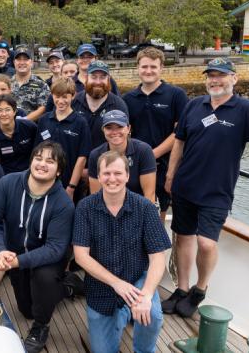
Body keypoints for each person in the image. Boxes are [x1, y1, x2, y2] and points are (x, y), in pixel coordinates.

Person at [164, 58, 249, 318]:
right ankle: (181, 289)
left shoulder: (246, 110)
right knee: (182, 236)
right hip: (185, 186)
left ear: (234, 79)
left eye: (221, 75)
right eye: (210, 76)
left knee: (206, 243)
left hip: (217, 192)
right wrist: (170, 175)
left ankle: (199, 289)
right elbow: (179, 142)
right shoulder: (194, 106)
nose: (215, 80)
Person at [0, 141, 79, 353]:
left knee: (44, 282)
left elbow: (55, 248)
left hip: (48, 260)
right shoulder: (9, 183)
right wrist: (0, 249)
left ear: (59, 170)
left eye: (50, 161)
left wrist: (16, 262)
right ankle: (68, 286)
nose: (42, 164)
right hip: (15, 253)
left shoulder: (63, 203)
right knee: (27, 310)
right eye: (38, 158)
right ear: (31, 160)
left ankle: (41, 327)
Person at [73, 150, 171, 353]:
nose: (112, 179)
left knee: (151, 313)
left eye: (118, 173)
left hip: (136, 278)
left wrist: (146, 294)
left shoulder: (145, 208)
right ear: (98, 177)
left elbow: (157, 258)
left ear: (127, 176)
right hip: (101, 286)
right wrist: (116, 284)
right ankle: (124, 312)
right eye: (106, 173)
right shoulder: (85, 208)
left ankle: (143, 350)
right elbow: (81, 256)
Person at [122, 47, 189, 218]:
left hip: (165, 167)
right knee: (131, 212)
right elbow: (123, 133)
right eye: (144, 67)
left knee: (157, 214)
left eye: (153, 67)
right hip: (134, 166)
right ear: (137, 68)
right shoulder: (128, 99)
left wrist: (152, 154)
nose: (148, 71)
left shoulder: (176, 95)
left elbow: (180, 132)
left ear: (161, 68)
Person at [35, 77, 91, 202]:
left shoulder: (81, 123)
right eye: (57, 96)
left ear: (73, 96)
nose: (60, 101)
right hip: (45, 182)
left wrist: (71, 187)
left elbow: (82, 158)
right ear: (52, 95)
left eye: (65, 97)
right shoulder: (44, 120)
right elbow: (37, 153)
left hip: (69, 185)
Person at [88, 110, 157, 203]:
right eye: (109, 128)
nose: (114, 132)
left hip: (140, 207)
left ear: (128, 128)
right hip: (109, 207)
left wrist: (144, 216)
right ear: (103, 130)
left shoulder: (144, 151)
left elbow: (149, 195)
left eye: (120, 127)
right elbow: (96, 197)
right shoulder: (95, 155)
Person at [71, 60, 128, 150]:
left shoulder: (118, 105)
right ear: (86, 78)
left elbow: (124, 139)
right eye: (93, 77)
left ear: (108, 79)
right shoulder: (74, 102)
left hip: (106, 161)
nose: (98, 82)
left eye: (102, 77)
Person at [0, 95, 39, 174]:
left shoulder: (29, 126)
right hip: (9, 177)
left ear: (14, 111)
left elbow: (41, 147)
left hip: (33, 172)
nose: (4, 114)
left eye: (7, 110)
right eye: (0, 110)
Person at [10, 46, 50, 121]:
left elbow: (43, 108)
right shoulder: (7, 83)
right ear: (14, 62)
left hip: (31, 128)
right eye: (18, 59)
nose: (22, 63)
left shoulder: (41, 84)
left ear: (31, 62)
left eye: (25, 59)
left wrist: (24, 121)